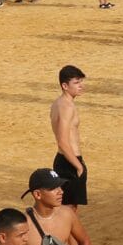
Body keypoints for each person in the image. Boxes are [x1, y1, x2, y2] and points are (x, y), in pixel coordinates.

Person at [50, 66, 90, 208]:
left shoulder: (57, 103)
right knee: (69, 212)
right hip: (69, 162)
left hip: (64, 160)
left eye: (80, 82)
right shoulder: (66, 107)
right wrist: (79, 166)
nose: (81, 86)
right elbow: (62, 141)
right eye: (76, 83)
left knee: (66, 210)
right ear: (65, 86)